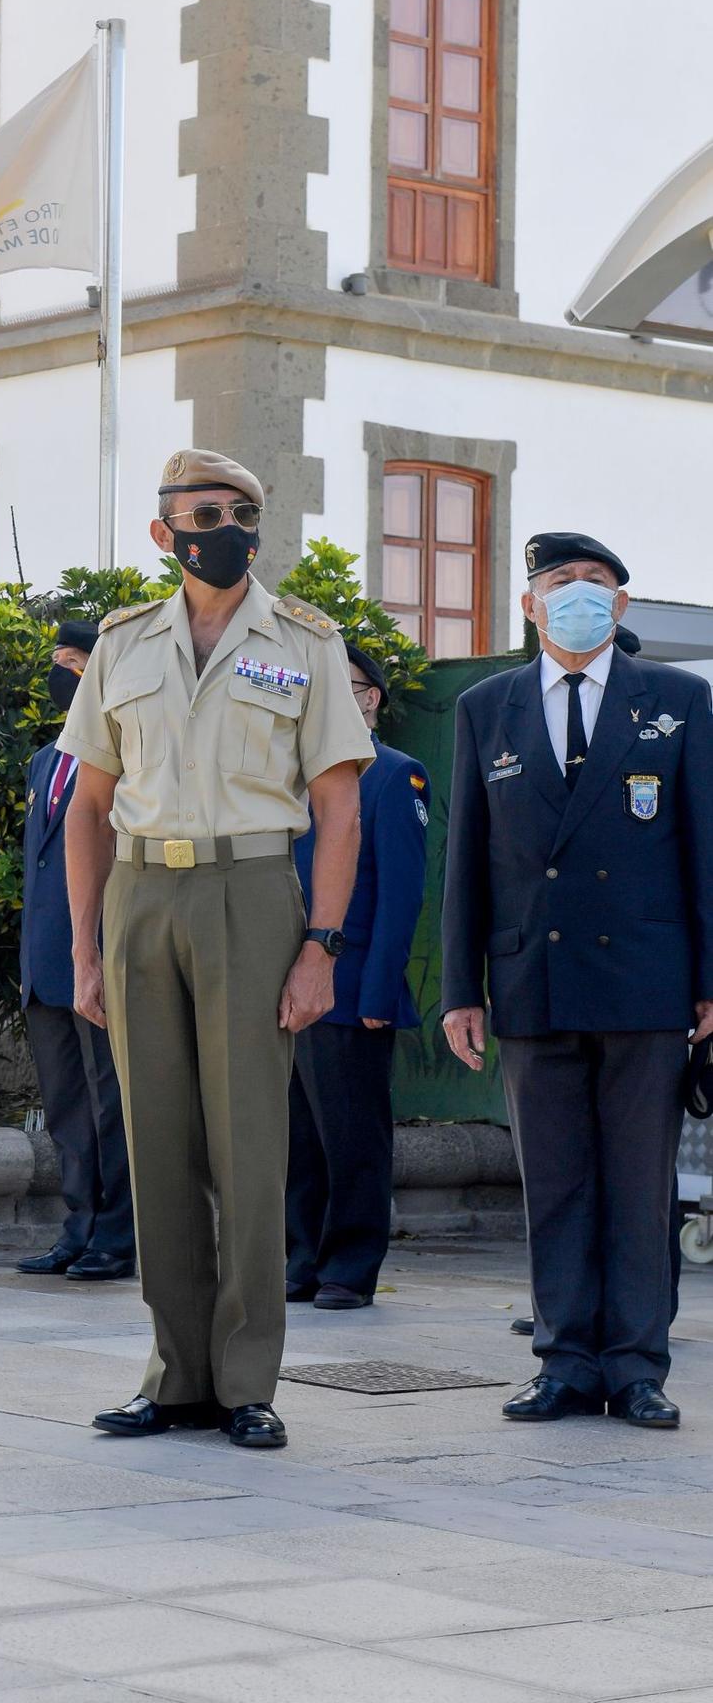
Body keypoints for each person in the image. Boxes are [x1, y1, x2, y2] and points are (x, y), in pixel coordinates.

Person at [60, 448, 373, 1449]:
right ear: (165, 532)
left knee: (246, 1144)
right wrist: (83, 945)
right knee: (155, 1146)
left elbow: (336, 807)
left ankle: (245, 1379)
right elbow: (87, 805)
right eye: (206, 511)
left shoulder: (302, 641)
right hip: (141, 893)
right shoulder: (123, 642)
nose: (227, 526)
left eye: (242, 510)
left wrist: (319, 944)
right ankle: (174, 1372)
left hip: (249, 892)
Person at [443, 533, 713, 1429]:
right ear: (529, 605)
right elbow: (468, 862)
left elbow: (704, 849)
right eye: (561, 582)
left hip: (646, 981)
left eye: (597, 583)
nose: (580, 595)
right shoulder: (488, 708)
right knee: (553, 1182)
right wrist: (460, 987)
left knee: (639, 1182)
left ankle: (637, 1366)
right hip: (534, 978)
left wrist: (710, 981)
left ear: (623, 607)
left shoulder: (677, 699)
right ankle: (564, 1360)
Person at [287, 644, 429, 1309]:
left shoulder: (395, 776)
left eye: (341, 687)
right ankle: (300, 1257)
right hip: (287, 989)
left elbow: (401, 897)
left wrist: (377, 991)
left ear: (370, 698)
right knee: (297, 1137)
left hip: (351, 991)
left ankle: (350, 1264)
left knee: (353, 1137)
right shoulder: (293, 774)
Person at [17, 621, 134, 1281]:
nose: (62, 672)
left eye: (74, 662)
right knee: (66, 1108)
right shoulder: (44, 760)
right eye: (56, 660)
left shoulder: (122, 752)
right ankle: (79, 1225)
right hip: (47, 963)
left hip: (99, 958)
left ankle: (118, 1235)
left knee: (110, 1104)